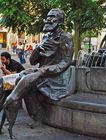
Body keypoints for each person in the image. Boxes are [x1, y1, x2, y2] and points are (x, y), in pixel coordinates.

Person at [3, 8, 74, 139]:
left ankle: (21, 105)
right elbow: (33, 61)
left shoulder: (66, 38)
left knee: (27, 80)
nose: (48, 20)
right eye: (48, 17)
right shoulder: (46, 37)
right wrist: (37, 51)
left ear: (60, 21)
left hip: (57, 75)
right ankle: (34, 112)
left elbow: (66, 62)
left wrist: (45, 70)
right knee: (20, 78)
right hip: (41, 72)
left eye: (52, 17)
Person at [0, 52, 25, 134]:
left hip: (21, 82)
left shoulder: (14, 64)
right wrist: (4, 70)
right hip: (12, 84)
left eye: (3, 59)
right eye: (1, 59)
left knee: (7, 103)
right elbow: (6, 76)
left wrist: (4, 70)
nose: (2, 61)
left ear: (8, 59)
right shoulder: (5, 64)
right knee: (5, 101)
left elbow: (12, 75)